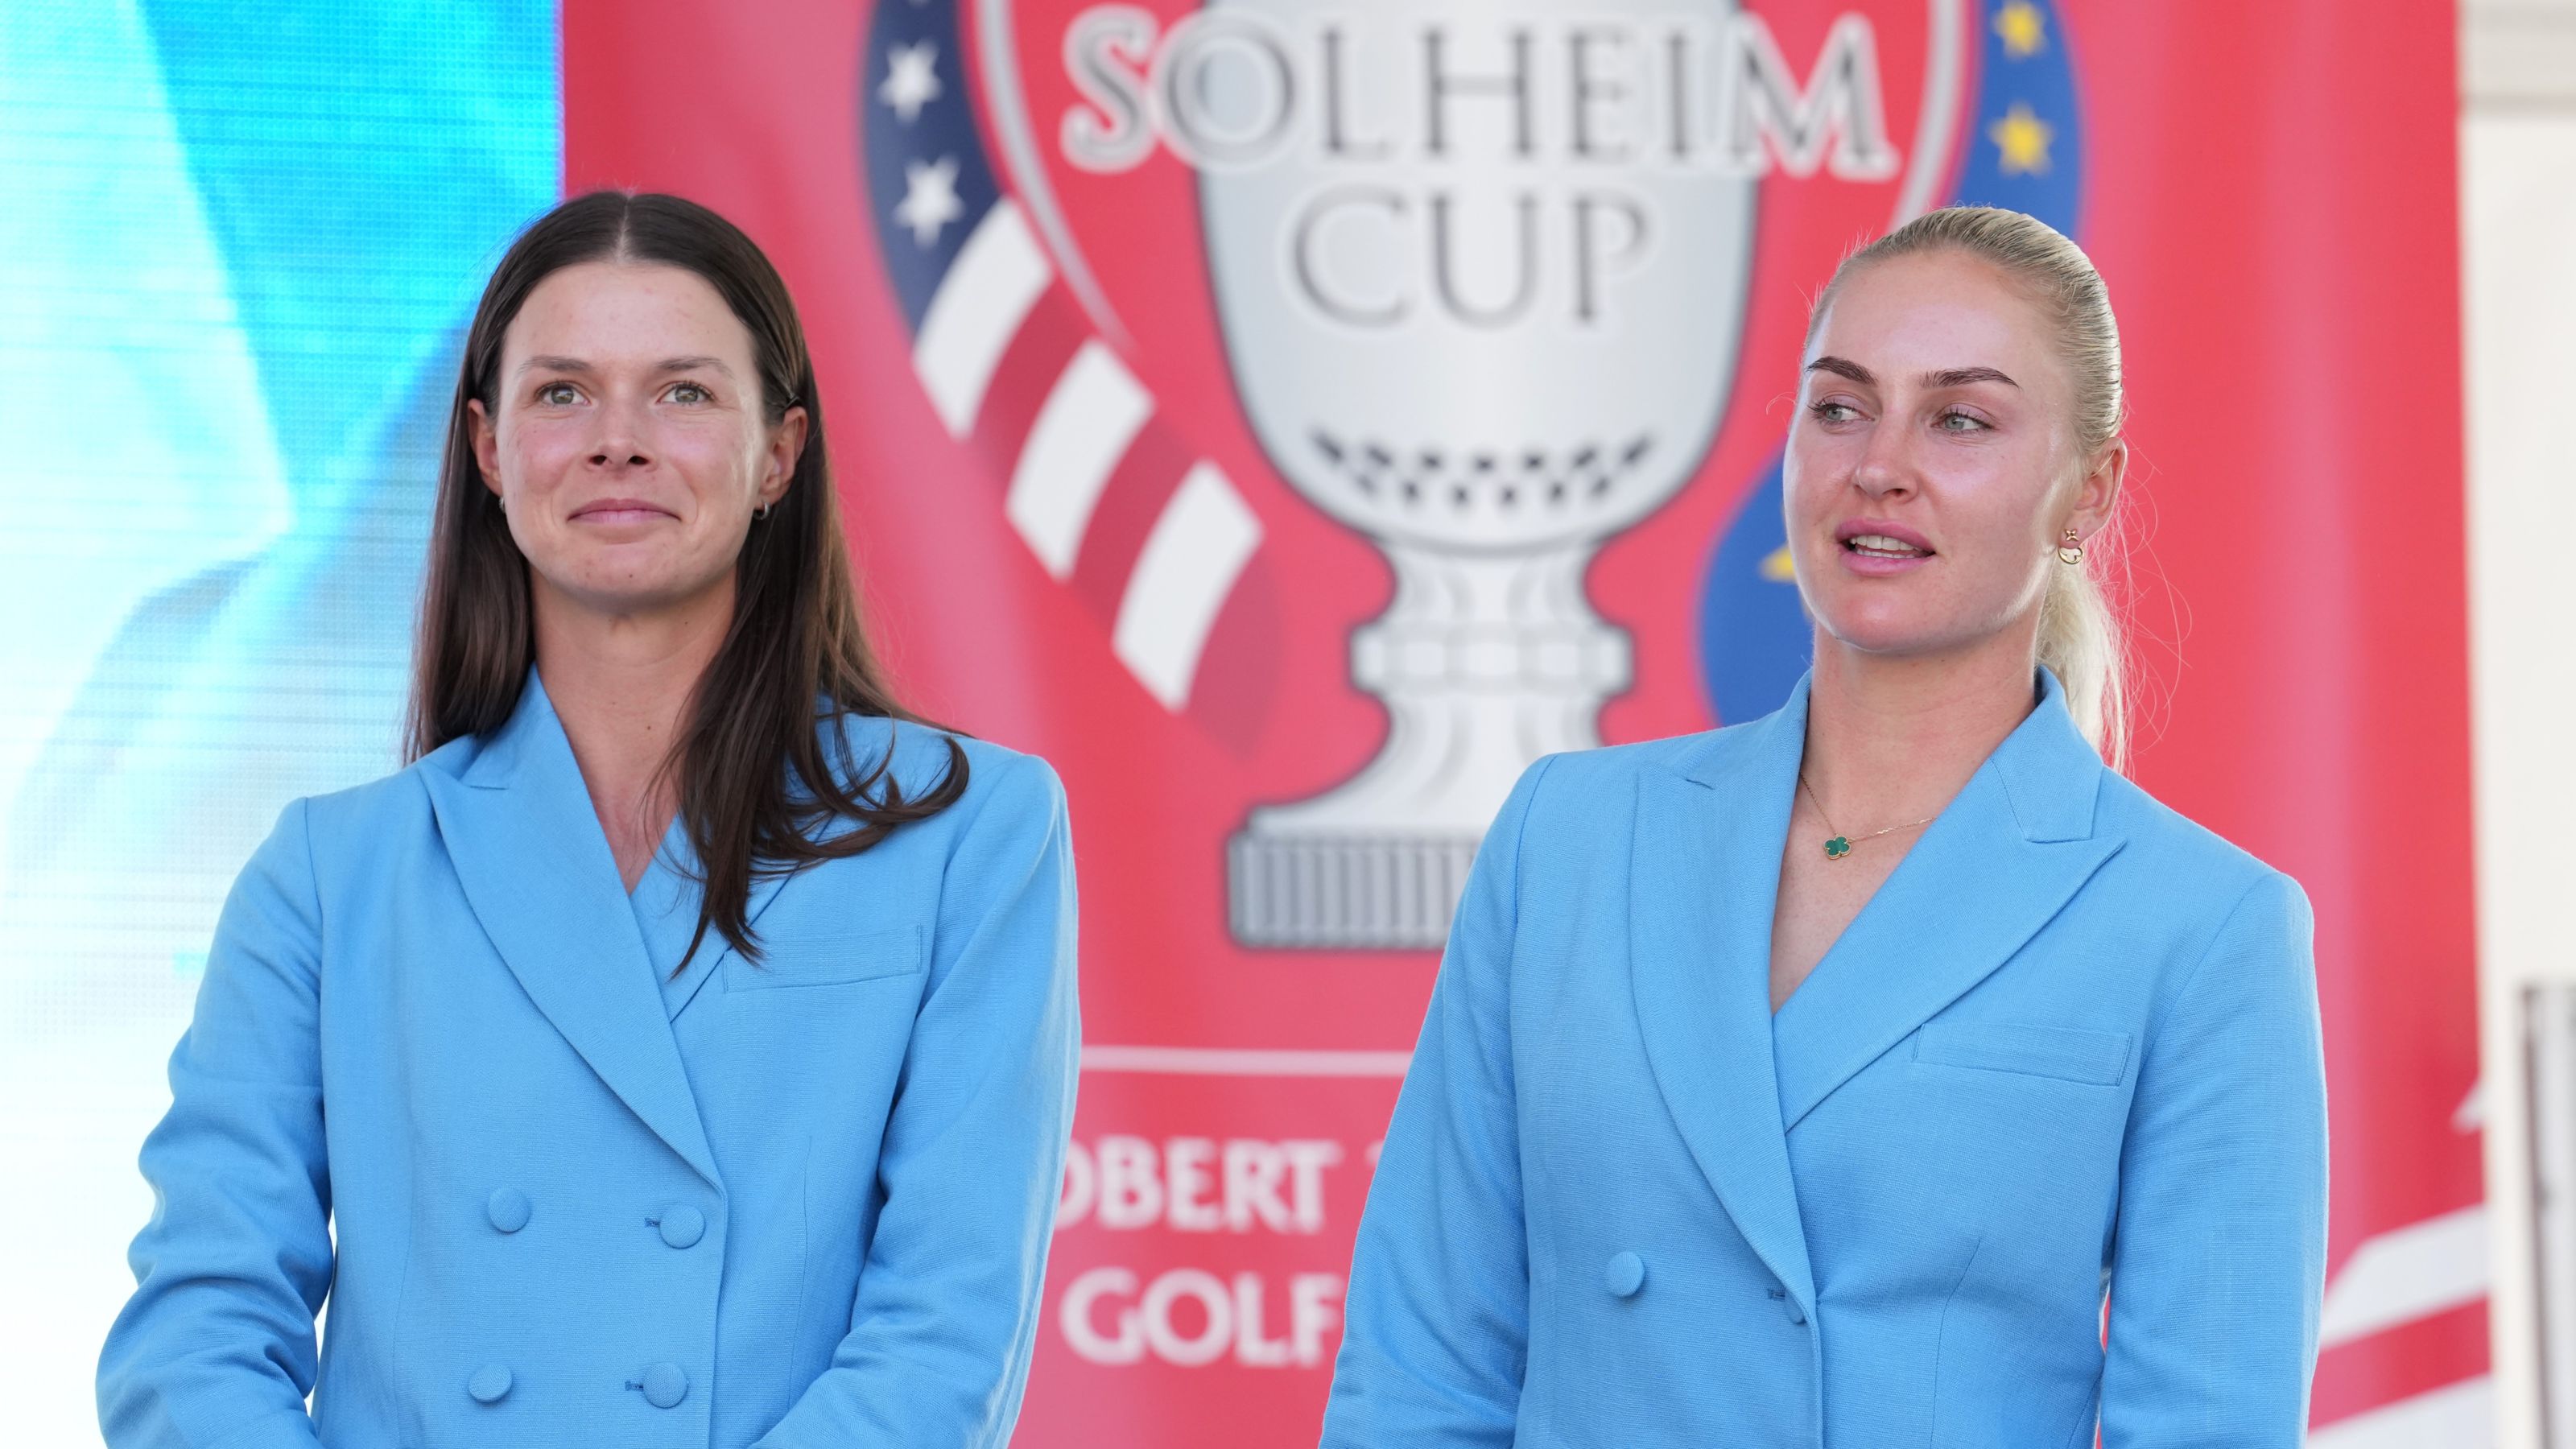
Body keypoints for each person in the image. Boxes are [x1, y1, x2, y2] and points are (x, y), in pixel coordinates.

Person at [1319, 206, 2326, 1446]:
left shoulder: (2203, 926)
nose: (1879, 464)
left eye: (1961, 418)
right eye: (1842, 406)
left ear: (2089, 490)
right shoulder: (1567, 841)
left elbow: (2209, 1424)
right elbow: (1422, 1371)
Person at [97, 191, 1080, 1448]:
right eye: (562, 393)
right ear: (490, 450)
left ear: (779, 454)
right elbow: (198, 1337)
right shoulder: (331, 877)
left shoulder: (968, 833)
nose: (618, 441)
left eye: (683, 392)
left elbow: (945, 1342)